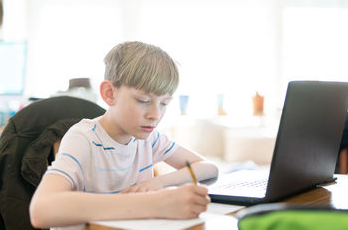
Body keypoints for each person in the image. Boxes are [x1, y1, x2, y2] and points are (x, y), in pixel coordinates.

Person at [29, 41, 219, 229]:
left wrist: (158, 183)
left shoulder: (149, 139)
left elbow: (208, 168)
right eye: (143, 100)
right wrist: (155, 203)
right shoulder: (83, 139)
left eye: (164, 103)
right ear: (110, 93)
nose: (156, 114)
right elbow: (41, 210)